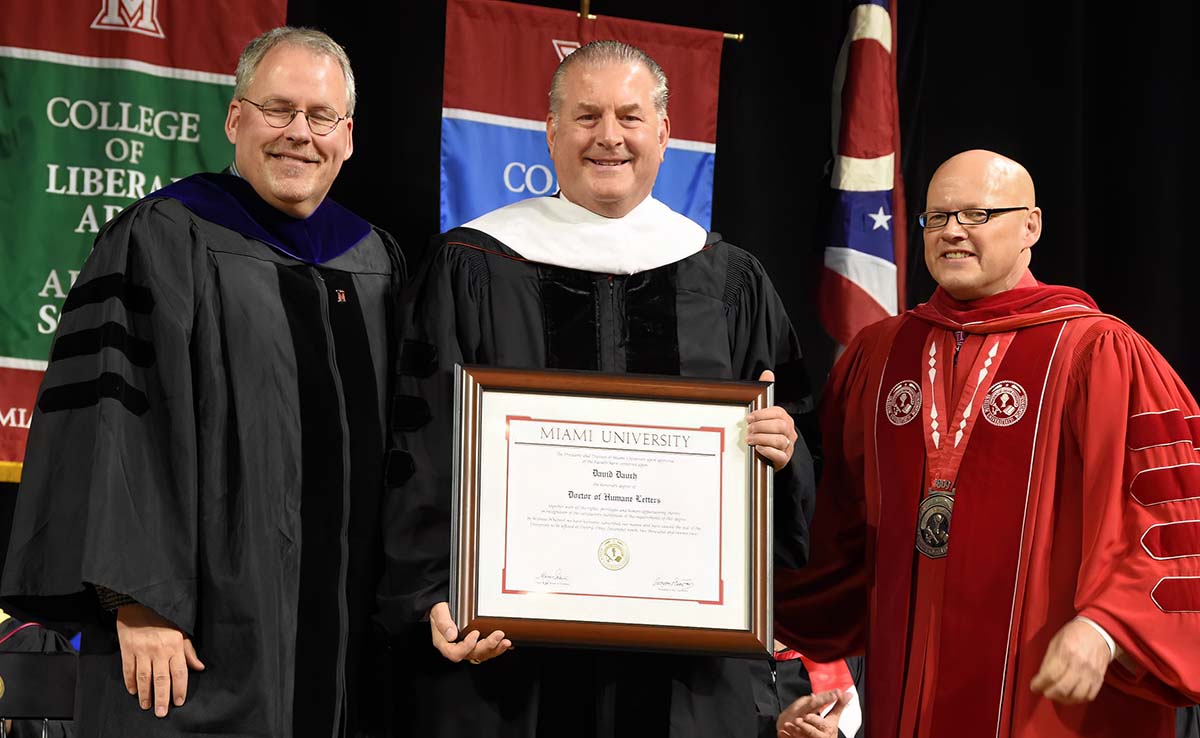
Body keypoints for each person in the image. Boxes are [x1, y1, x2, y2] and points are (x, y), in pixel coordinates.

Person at [380, 40, 821, 737]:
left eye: (629, 116)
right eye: (586, 117)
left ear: (666, 133)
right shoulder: (473, 264)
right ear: (551, 132)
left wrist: (783, 451)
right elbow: (424, 441)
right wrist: (436, 594)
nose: (608, 136)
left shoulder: (729, 280)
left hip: (683, 664)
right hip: (513, 662)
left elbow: (790, 438)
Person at [1, 27, 403, 737]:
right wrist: (138, 600)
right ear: (234, 118)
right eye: (277, 109)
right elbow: (112, 429)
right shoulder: (162, 237)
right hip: (198, 633)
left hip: (344, 643)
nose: (298, 135)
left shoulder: (375, 262)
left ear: (347, 135)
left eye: (320, 117)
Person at [775, 149, 1200, 737]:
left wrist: (1106, 629)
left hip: (1050, 697)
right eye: (938, 217)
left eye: (976, 214)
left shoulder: (1097, 352)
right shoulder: (879, 354)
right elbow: (840, 537)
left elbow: (1167, 513)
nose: (952, 232)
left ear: (1031, 225)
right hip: (906, 692)